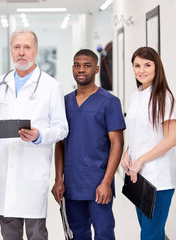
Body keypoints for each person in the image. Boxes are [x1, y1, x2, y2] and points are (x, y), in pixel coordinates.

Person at [0, 29, 69, 240]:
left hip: (33, 170)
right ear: (11, 51)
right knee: (9, 233)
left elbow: (62, 128)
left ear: (36, 51)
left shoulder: (51, 86)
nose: (21, 52)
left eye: (27, 47)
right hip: (4, 171)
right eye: (17, 47)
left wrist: (39, 135)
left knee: (36, 234)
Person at [51, 49, 125, 239]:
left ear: (97, 69)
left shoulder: (110, 102)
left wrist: (107, 182)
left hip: (98, 182)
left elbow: (117, 144)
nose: (81, 69)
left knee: (104, 233)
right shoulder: (64, 102)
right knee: (77, 234)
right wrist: (59, 179)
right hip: (72, 184)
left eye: (87, 65)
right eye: (77, 65)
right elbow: (59, 143)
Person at [120, 46, 176, 240]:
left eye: (147, 65)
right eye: (137, 65)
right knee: (151, 233)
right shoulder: (135, 96)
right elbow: (137, 132)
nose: (141, 70)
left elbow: (172, 138)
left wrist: (140, 160)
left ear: (156, 67)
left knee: (150, 235)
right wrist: (127, 154)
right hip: (139, 177)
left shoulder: (164, 96)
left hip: (158, 178)